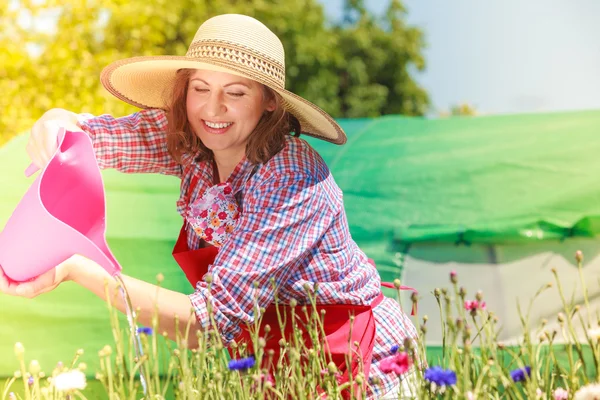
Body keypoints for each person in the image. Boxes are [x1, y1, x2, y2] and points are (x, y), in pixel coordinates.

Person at [0, 14, 419, 398]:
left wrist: (80, 268)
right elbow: (95, 137)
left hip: (364, 362)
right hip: (281, 361)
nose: (213, 109)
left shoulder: (291, 178)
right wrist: (59, 121)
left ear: (269, 101)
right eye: (200, 88)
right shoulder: (191, 142)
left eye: (235, 93)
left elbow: (209, 325)